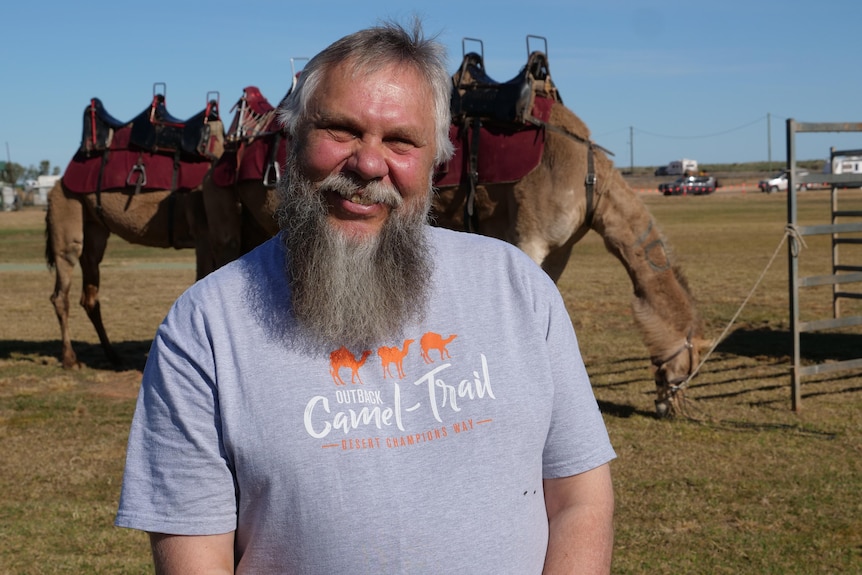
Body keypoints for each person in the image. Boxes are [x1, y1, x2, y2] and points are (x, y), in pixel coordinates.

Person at [116, 20, 616, 574]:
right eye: (342, 131)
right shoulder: (204, 328)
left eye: (401, 141)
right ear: (293, 138)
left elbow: (580, 501)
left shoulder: (518, 289)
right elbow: (195, 556)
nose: (369, 164)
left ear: (436, 160)